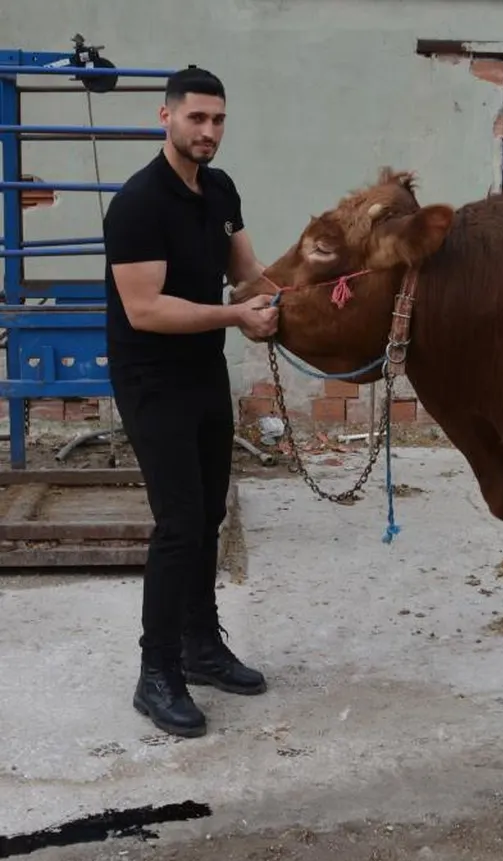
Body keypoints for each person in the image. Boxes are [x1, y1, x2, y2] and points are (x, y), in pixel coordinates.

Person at [103, 65, 278, 738]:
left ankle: (202, 647)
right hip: (151, 378)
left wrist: (305, 283)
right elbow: (144, 310)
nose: (209, 131)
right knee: (178, 524)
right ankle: (157, 672)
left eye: (219, 119)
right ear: (166, 117)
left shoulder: (220, 188)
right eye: (197, 118)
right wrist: (237, 319)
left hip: (203, 372)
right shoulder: (138, 204)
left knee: (207, 517)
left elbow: (246, 274)